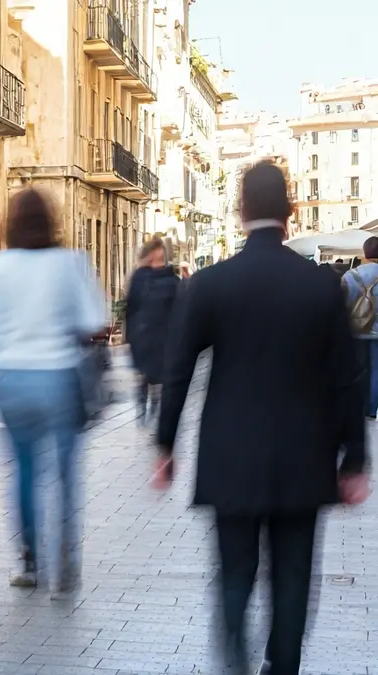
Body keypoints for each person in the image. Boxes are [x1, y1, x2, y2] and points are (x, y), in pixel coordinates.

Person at [154, 161, 370, 675]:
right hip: (303, 456)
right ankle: (283, 666)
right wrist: (355, 458)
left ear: (241, 210)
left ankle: (235, 659)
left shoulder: (212, 284)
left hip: (231, 455)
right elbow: (347, 378)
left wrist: (165, 445)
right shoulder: (320, 287)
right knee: (293, 578)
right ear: (290, 213)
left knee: (234, 574)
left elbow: (178, 368)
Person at [0, 188, 108, 598]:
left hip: (12, 380)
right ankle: (65, 563)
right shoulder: (70, 264)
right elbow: (96, 318)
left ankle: (29, 561)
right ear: (50, 221)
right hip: (59, 377)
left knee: (24, 471)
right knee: (65, 475)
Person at [124, 238, 180, 425]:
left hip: (161, 337)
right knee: (143, 376)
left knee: (157, 378)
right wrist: (130, 336)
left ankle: (153, 410)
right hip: (143, 336)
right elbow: (131, 307)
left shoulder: (171, 278)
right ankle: (142, 411)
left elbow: (178, 309)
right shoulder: (140, 277)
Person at [340, 236, 378, 419]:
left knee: (358, 369)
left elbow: (342, 304)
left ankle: (359, 407)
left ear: (365, 253)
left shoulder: (350, 276)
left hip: (356, 331)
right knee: (376, 370)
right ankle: (372, 410)